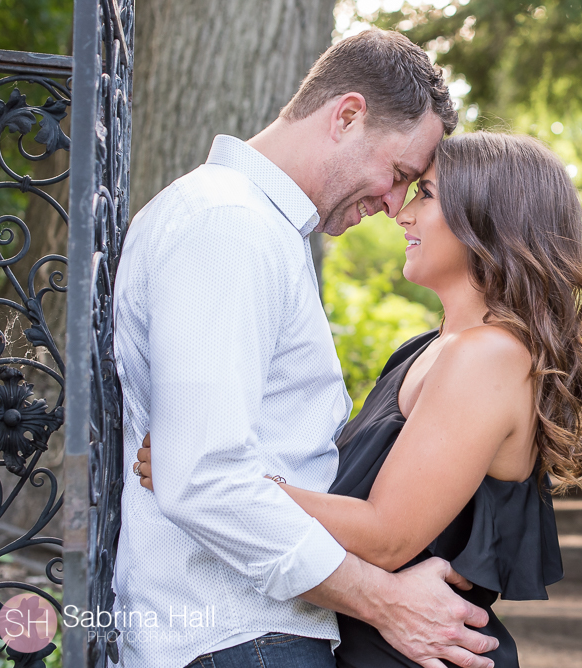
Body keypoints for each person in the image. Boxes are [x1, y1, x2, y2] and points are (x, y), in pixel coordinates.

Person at [135, 131, 582, 667]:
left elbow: (386, 536)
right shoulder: (431, 350)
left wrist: (220, 476)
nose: (402, 214)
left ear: (489, 218)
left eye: (425, 195)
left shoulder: (490, 356)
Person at [112, 29, 501, 668]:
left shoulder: (251, 227)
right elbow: (204, 479)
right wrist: (383, 600)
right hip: (236, 639)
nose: (390, 203)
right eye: (399, 174)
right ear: (347, 116)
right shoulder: (228, 226)